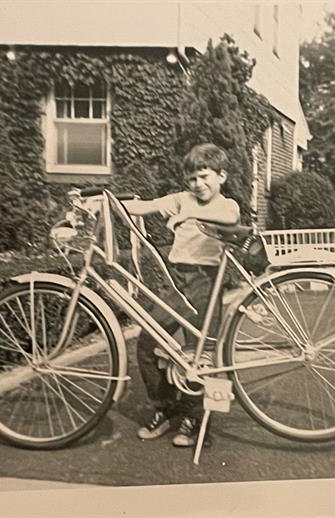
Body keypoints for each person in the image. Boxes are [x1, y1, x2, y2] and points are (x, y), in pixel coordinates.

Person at [123, 143, 240, 447]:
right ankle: (165, 406)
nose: (198, 184)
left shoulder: (227, 205)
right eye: (192, 179)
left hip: (205, 282)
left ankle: (196, 419)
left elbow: (230, 221)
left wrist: (187, 217)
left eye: (204, 176)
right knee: (148, 341)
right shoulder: (181, 199)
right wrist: (105, 202)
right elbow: (145, 206)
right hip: (176, 283)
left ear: (221, 176)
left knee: (201, 356)